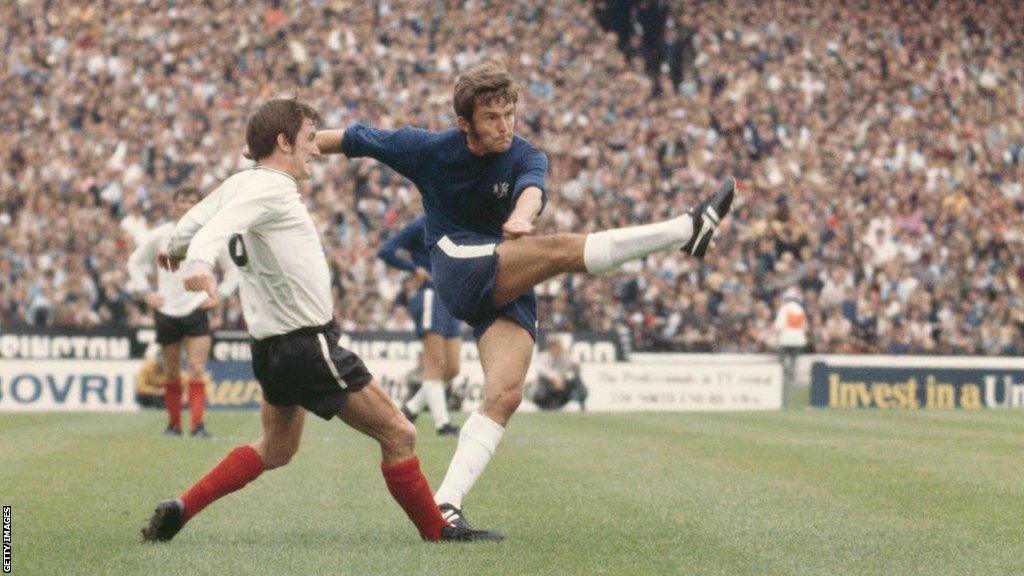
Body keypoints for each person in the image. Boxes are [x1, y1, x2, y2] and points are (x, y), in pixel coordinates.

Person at [315, 60, 737, 529]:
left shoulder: (526, 154)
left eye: (509, 114)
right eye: (492, 118)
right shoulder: (428, 147)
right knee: (558, 251)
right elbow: (352, 139)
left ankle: (447, 504)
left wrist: (522, 216)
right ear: (464, 123)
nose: (504, 126)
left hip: (504, 269)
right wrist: (285, 156)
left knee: (505, 394)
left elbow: (532, 191)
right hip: (458, 264)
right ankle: (685, 229)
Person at [141, 97, 501, 543]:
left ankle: (183, 507)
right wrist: (196, 262)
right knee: (400, 432)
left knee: (277, 448)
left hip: (270, 350)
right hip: (308, 345)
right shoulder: (270, 188)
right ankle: (438, 531)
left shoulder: (241, 182)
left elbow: (198, 216)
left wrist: (176, 246)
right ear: (283, 142)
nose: (316, 150)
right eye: (310, 140)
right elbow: (218, 225)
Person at [128, 187, 239, 437]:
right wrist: (146, 292)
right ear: (174, 204)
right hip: (167, 310)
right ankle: (174, 425)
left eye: (192, 200)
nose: (187, 204)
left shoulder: (210, 235)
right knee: (171, 371)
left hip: (196, 308)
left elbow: (233, 270)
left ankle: (197, 425)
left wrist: (218, 296)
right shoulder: (160, 235)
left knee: (197, 367)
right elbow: (135, 262)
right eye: (182, 200)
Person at [377, 215, 461, 436]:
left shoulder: (455, 221)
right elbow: (385, 250)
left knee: (452, 369)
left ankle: (410, 409)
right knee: (434, 364)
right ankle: (443, 425)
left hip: (449, 298)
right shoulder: (420, 225)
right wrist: (413, 268)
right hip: (429, 296)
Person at [532, 336, 587, 411]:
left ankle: (580, 401)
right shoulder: (543, 357)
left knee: (576, 379)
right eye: (553, 347)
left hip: (562, 385)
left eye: (557, 347)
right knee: (542, 381)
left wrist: (562, 378)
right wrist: (556, 379)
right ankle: (548, 405)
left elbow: (576, 366)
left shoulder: (565, 356)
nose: (555, 349)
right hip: (549, 386)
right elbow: (543, 370)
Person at [774, 287, 809, 389]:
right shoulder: (800, 309)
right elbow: (805, 327)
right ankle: (790, 380)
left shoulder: (784, 308)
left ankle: (782, 379)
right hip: (799, 341)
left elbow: (779, 326)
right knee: (793, 361)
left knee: (781, 360)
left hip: (786, 339)